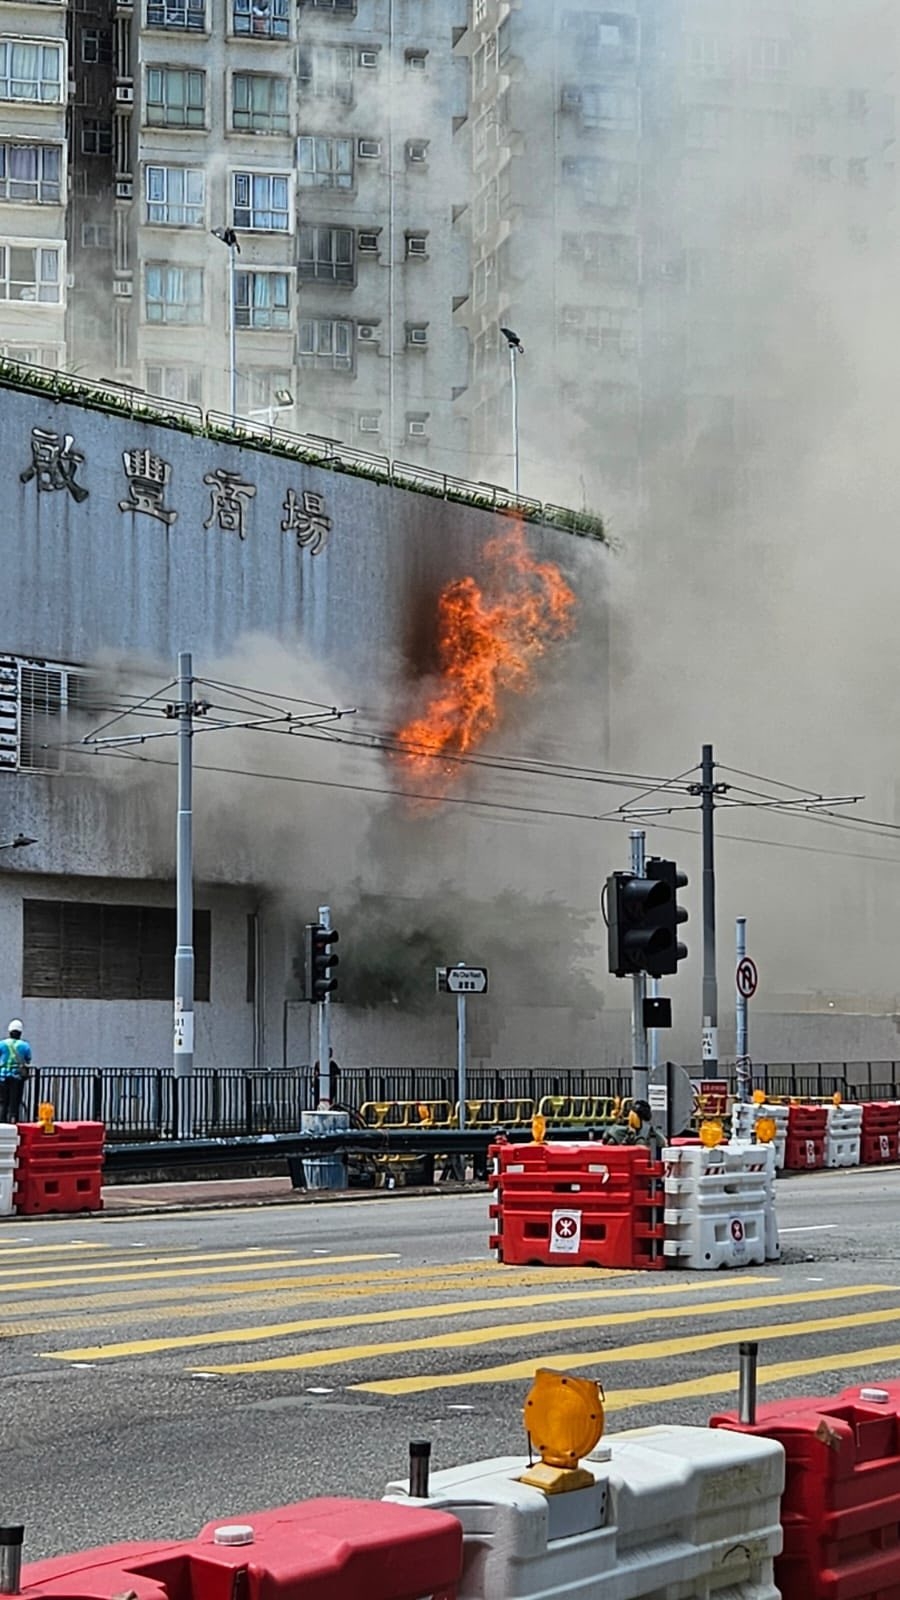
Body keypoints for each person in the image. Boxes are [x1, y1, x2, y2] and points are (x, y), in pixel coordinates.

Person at [0, 1019, 32, 1124]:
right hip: (17, 1078)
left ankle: (2, 1122)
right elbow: (28, 1059)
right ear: (20, 1033)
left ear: (9, 1032)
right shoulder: (25, 1045)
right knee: (15, 1102)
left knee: (3, 1102)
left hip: (2, 1077)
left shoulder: (2, 1044)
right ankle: (13, 1122)